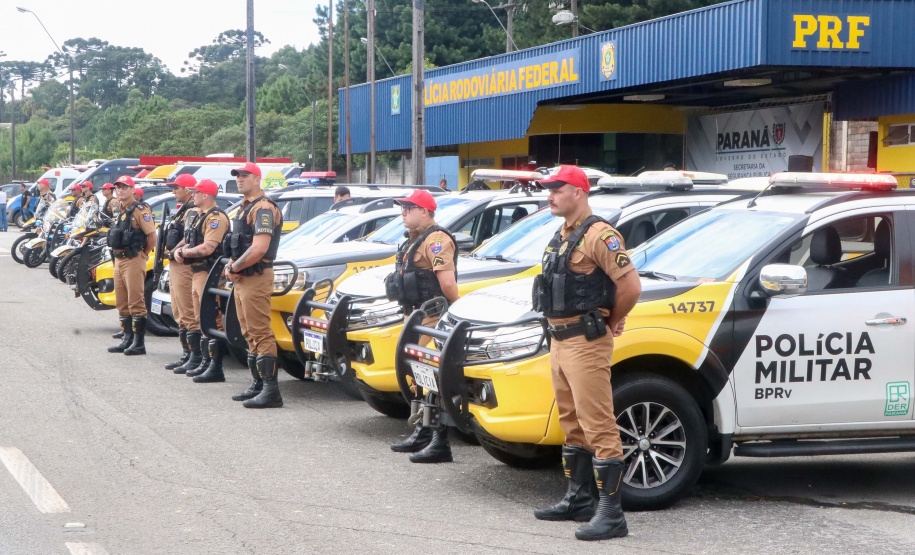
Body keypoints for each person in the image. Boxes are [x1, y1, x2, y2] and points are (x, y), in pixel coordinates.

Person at [531, 165, 641, 542]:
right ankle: (578, 499)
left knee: (598, 424)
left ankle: (611, 515)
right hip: (559, 340)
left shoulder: (600, 235)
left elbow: (630, 286)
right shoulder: (563, 234)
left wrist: (613, 320)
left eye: (557, 189)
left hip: (586, 341)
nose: (550, 195)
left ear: (578, 191)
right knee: (571, 421)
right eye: (549, 190)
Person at [385, 189, 459, 464]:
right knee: (416, 376)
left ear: (425, 212)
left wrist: (460, 312)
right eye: (402, 207)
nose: (403, 212)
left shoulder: (436, 240)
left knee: (430, 376)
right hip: (415, 317)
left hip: (431, 318)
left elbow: (448, 284)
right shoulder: (414, 240)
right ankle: (422, 431)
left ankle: (440, 442)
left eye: (409, 207)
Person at [223, 162, 284, 408]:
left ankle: (271, 391)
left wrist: (234, 268)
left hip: (256, 277)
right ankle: (258, 384)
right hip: (243, 277)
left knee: (260, 331)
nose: (239, 179)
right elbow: (238, 244)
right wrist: (233, 266)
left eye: (245, 175)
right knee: (249, 332)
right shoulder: (245, 208)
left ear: (257, 179)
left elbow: (259, 248)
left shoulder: (264, 208)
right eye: (237, 175)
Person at [173, 179, 230, 383]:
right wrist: (178, 249)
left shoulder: (215, 217)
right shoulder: (199, 215)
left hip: (210, 272)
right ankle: (205, 362)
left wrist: (184, 252)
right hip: (198, 272)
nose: (193, 195)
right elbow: (191, 239)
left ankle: (215, 367)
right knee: (200, 319)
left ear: (205, 195)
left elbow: (208, 247)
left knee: (211, 319)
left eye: (196, 192)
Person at [107, 176, 157, 356]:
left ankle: (138, 343)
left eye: (124, 187)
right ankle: (126, 339)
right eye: (117, 187)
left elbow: (152, 235)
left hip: (133, 259)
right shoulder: (121, 209)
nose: (119, 190)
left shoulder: (140, 210)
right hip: (119, 259)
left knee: (136, 301)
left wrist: (145, 253)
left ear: (132, 190)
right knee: (121, 302)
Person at [160, 174, 199, 373]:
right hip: (175, 263)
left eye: (177, 187)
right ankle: (186, 354)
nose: (174, 191)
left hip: (184, 265)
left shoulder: (192, 211)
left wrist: (175, 250)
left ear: (188, 189)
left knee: (187, 311)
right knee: (179, 312)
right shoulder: (183, 211)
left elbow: (190, 238)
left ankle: (194, 356)